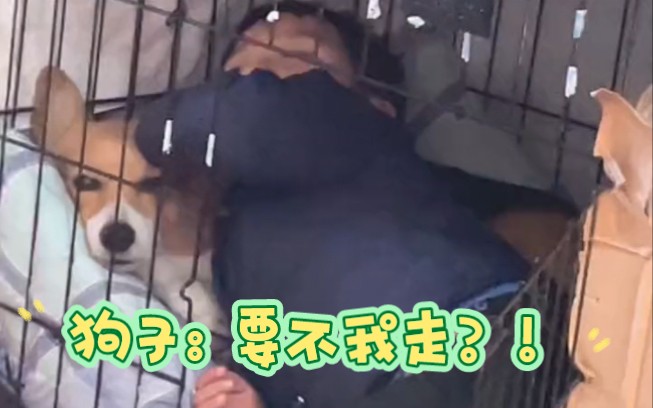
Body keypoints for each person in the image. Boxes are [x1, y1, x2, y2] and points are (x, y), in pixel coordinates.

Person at [135, 2, 532, 407]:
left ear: (377, 105)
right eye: (241, 62)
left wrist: (154, 124)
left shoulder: (347, 125)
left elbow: (237, 122)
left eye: (300, 55)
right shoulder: (237, 239)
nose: (261, 69)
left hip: (470, 336)